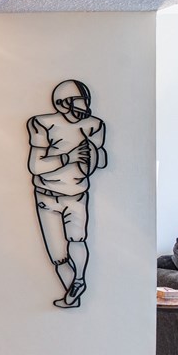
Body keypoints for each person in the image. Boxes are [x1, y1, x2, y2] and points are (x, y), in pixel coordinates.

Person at [27, 79, 108, 308]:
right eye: (77, 104)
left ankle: (79, 280)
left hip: (76, 193)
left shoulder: (94, 125)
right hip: (47, 195)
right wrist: (69, 157)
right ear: (63, 104)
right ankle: (73, 292)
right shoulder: (42, 123)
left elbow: (100, 161)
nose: (81, 112)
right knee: (58, 255)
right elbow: (35, 165)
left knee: (77, 240)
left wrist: (91, 155)